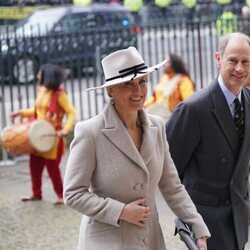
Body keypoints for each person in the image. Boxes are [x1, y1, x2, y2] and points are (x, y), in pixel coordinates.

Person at [63, 46, 210, 250]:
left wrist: (197, 226)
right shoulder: (90, 132)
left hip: (150, 241)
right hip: (106, 242)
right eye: (128, 84)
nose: (138, 91)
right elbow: (73, 194)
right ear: (111, 90)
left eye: (142, 81)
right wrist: (120, 211)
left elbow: (172, 185)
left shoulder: (157, 126)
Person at [166, 32, 250, 250]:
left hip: (238, 221)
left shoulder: (249, 102)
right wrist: (189, 220)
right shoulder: (193, 110)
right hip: (205, 225)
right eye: (232, 60)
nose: (239, 68)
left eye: (245, 62)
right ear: (218, 58)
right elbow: (169, 172)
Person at [10, 63, 76, 205]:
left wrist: (66, 130)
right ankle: (36, 193)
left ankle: (61, 195)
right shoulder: (42, 91)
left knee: (52, 168)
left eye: (39, 73)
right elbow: (36, 110)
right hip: (37, 134)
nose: (37, 76)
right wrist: (20, 113)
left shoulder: (60, 94)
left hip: (51, 136)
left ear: (46, 76)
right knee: (34, 165)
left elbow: (71, 112)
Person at [144, 54, 194, 120]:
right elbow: (155, 98)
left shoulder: (183, 80)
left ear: (174, 65)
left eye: (168, 62)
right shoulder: (163, 78)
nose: (164, 64)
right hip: (157, 114)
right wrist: (143, 106)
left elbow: (188, 101)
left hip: (172, 117)